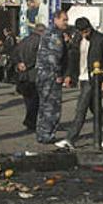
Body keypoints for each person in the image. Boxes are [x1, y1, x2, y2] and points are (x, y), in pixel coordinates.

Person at [62, 17, 103, 148]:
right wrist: (68, 75)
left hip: (94, 79)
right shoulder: (78, 39)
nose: (85, 34)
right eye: (82, 32)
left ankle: (70, 138)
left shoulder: (101, 40)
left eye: (86, 31)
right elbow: (73, 59)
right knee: (96, 109)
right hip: (82, 78)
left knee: (81, 108)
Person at [35, 10, 71, 145]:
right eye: (64, 20)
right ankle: (47, 135)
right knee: (51, 107)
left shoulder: (49, 33)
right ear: (56, 19)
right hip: (50, 75)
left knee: (44, 105)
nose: (66, 23)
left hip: (43, 74)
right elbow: (54, 57)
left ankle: (42, 133)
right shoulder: (54, 35)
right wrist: (58, 74)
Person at [11, 23, 44, 131]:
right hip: (33, 74)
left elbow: (14, 53)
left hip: (22, 75)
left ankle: (30, 120)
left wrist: (19, 63)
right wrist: (27, 65)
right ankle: (31, 121)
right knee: (35, 100)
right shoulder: (39, 42)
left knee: (28, 99)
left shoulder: (24, 40)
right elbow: (36, 57)